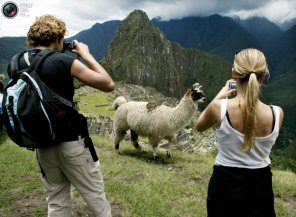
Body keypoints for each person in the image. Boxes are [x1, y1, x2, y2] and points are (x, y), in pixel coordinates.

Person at [7, 15, 114, 217]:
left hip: (42, 143)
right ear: (57, 37)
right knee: (95, 197)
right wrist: (85, 54)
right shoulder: (63, 61)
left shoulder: (16, 63)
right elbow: (108, 84)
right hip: (72, 143)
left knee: (56, 201)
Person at [195, 48, 284, 217]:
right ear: (263, 76)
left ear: (234, 73)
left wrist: (220, 95)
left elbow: (199, 127)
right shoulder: (277, 113)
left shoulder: (218, 108)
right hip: (261, 187)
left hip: (224, 185)